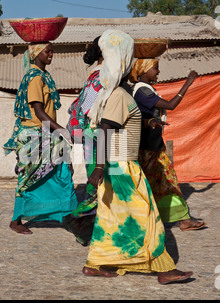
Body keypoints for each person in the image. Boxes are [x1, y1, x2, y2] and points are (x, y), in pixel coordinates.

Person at [82, 29, 193, 284]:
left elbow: (120, 125)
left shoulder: (118, 92)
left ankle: (95, 263)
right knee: (149, 215)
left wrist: (146, 124)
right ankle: (164, 269)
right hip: (121, 166)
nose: (131, 63)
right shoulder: (119, 94)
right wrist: (99, 167)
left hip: (121, 165)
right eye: (129, 57)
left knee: (112, 219)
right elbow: (105, 129)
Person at [3, 42, 78, 235]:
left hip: (46, 132)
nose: (52, 54)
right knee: (28, 178)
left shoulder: (44, 76)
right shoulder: (35, 78)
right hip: (34, 133)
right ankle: (15, 220)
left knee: (62, 170)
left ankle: (65, 214)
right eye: (48, 51)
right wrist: (62, 130)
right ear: (37, 53)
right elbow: (38, 110)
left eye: (52, 50)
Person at [129, 58, 206, 231]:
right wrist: (187, 83)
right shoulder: (142, 91)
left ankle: (181, 219)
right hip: (147, 147)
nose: (158, 72)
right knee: (150, 184)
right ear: (144, 70)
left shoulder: (146, 90)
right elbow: (170, 105)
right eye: (155, 68)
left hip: (153, 144)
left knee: (166, 182)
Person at [63, 36, 103, 245]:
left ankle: (89, 228)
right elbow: (87, 108)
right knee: (98, 184)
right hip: (96, 137)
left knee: (99, 185)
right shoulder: (99, 78)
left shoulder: (101, 76)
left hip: (95, 137)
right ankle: (77, 220)